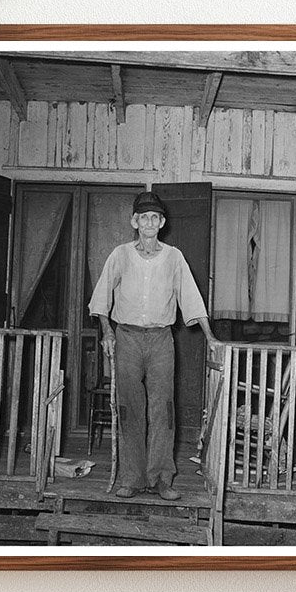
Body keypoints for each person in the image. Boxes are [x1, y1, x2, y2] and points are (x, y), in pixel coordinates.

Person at [88, 191, 217, 500]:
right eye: (143, 217)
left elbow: (192, 298)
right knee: (129, 408)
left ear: (162, 222)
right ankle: (131, 478)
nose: (148, 222)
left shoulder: (174, 257)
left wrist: (210, 336)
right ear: (135, 222)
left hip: (161, 340)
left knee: (164, 410)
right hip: (127, 338)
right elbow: (102, 297)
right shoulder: (120, 254)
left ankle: (161, 478)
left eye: (154, 217)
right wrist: (107, 332)